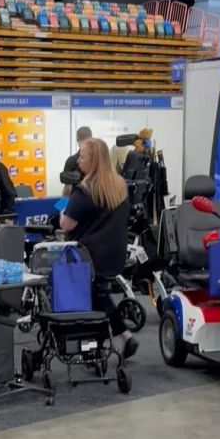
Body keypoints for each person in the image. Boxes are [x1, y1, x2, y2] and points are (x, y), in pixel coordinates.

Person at [59, 137, 136, 358]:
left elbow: (66, 223)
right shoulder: (119, 186)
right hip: (114, 252)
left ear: (93, 161)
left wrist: (64, 207)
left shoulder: (85, 190)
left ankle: (98, 345)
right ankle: (121, 338)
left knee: (92, 299)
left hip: (89, 256)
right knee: (100, 295)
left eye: (83, 156)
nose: (79, 161)